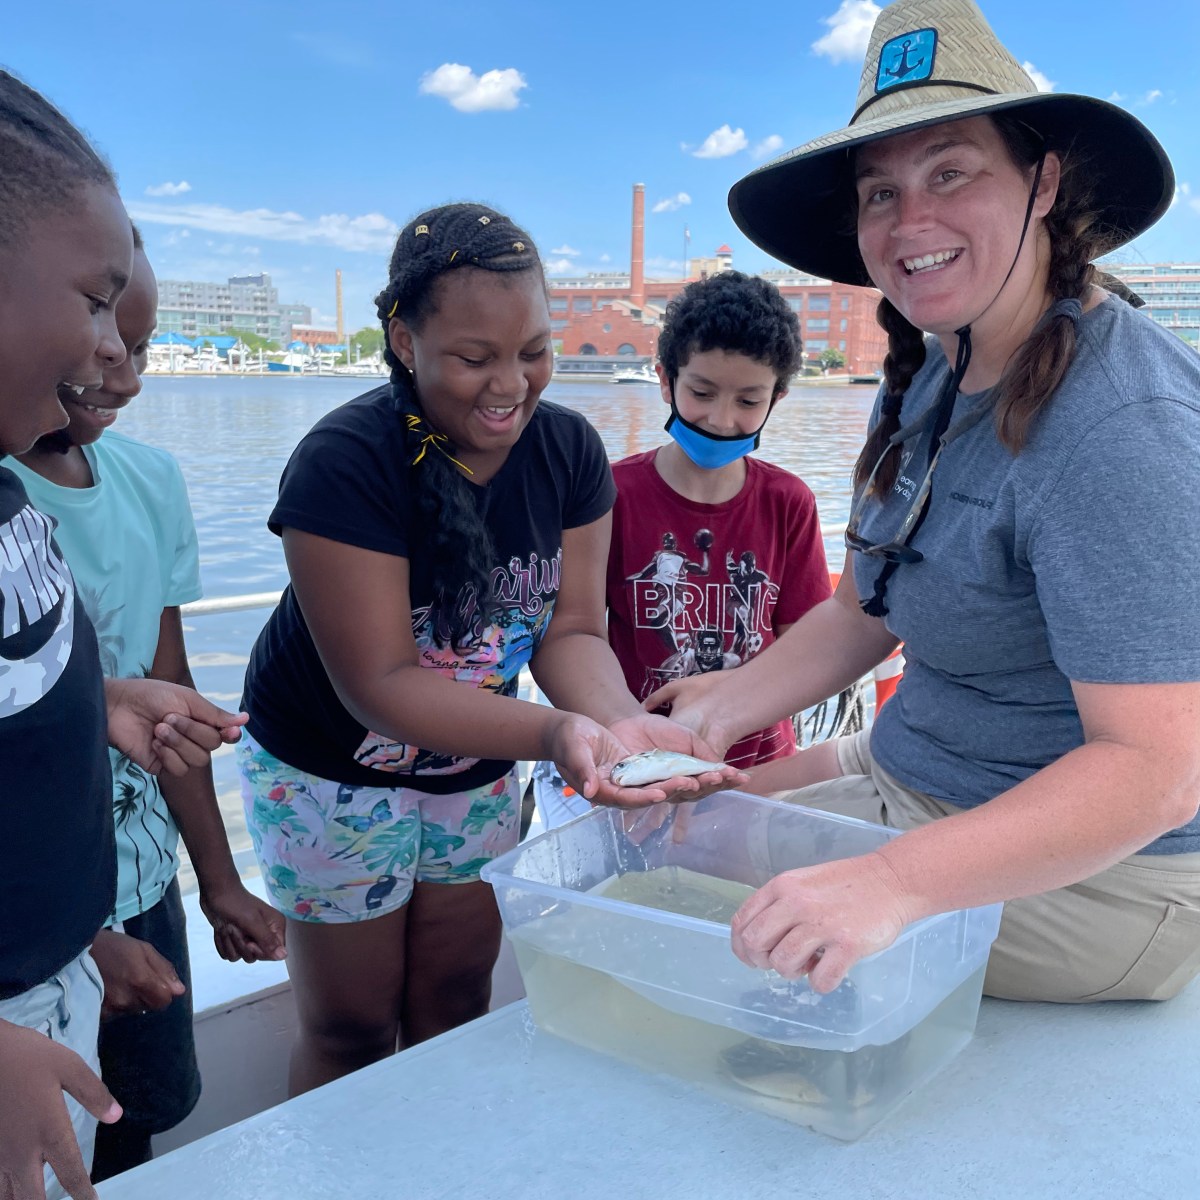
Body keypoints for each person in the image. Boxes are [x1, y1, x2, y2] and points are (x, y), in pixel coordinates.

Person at [649, 0, 1200, 1006]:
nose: (910, 223)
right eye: (880, 192)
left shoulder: (1123, 422)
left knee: (681, 906)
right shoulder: (937, 373)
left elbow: (1157, 771)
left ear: (1045, 182)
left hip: (1112, 879)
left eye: (951, 172)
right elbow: (869, 606)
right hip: (919, 772)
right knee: (661, 829)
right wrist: (711, 718)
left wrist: (890, 885)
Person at [236, 203, 743, 1096]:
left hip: (474, 759)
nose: (510, 385)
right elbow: (380, 684)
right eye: (474, 358)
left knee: (456, 993)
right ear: (403, 339)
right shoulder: (343, 463)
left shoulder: (568, 452)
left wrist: (626, 732)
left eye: (533, 351)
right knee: (352, 1027)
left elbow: (571, 630)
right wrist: (552, 736)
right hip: (327, 765)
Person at [0, 71, 246, 1200]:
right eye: (98, 305)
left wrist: (97, 704)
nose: (114, 356)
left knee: (142, 1118)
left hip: (82, 935)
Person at [606, 271, 831, 770]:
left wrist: (729, 688)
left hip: (759, 767)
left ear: (777, 400)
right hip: (640, 758)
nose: (722, 419)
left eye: (748, 401)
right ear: (666, 380)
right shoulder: (612, 494)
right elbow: (580, 634)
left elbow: (807, 646)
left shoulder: (788, 503)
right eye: (702, 393)